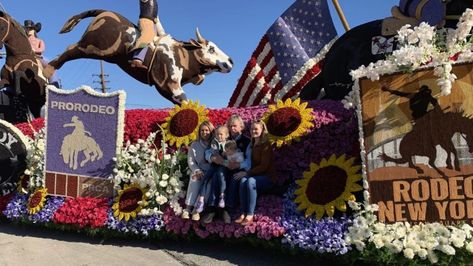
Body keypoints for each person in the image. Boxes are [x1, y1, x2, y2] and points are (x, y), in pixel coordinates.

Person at [200, 114, 251, 224]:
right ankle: (212, 208)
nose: (232, 128)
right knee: (216, 176)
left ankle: (226, 209)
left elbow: (249, 160)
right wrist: (212, 157)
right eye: (230, 126)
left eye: (235, 126)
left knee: (233, 179)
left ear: (241, 127)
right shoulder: (224, 137)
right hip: (223, 166)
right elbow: (210, 150)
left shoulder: (247, 141)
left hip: (237, 169)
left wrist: (239, 165)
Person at [234, 120, 276, 226]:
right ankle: (243, 213)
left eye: (256, 129)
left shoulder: (266, 145)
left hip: (267, 177)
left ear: (262, 130)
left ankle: (250, 214)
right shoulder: (251, 144)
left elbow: (264, 166)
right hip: (255, 175)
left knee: (250, 181)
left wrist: (247, 173)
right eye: (252, 129)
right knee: (243, 181)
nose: (253, 131)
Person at [181, 121, 215, 221]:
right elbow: (191, 161)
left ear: (211, 131)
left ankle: (196, 210)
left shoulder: (214, 144)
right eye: (202, 130)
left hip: (210, 171)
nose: (204, 132)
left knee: (208, 185)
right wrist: (197, 170)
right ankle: (187, 208)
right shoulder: (194, 145)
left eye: (207, 130)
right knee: (194, 181)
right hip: (198, 170)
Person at [194, 125, 229, 214]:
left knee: (222, 177)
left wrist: (227, 154)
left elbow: (234, 153)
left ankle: (222, 196)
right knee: (205, 179)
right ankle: (201, 199)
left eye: (221, 134)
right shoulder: (214, 142)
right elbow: (210, 151)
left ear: (227, 135)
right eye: (217, 134)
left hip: (223, 166)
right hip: (214, 165)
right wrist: (214, 156)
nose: (219, 136)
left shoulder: (229, 143)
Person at [130, 0, 166, 69]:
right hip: (146, 21)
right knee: (147, 36)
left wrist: (162, 33)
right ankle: (137, 58)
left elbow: (157, 20)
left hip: (153, 25)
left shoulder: (155, 4)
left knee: (157, 44)